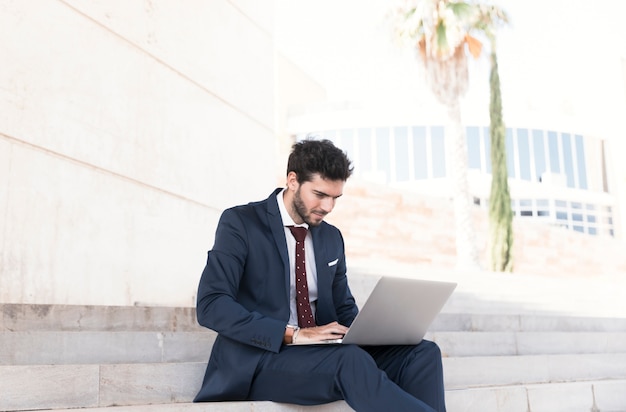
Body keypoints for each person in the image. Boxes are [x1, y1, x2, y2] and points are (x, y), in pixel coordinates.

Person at [194, 138, 447, 412]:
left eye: (335, 198)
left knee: (423, 354)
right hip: (262, 360)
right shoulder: (241, 223)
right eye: (320, 194)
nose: (328, 207)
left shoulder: (331, 237)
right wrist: (293, 334)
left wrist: (375, 330)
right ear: (293, 181)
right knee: (349, 361)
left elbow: (343, 307)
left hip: (322, 355)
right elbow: (211, 305)